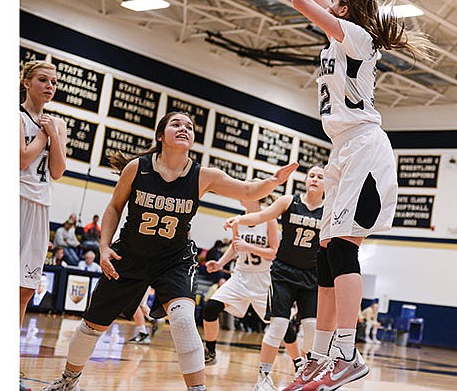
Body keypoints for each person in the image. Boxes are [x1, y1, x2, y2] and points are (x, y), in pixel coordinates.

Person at [271, 0, 434, 389]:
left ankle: (347, 352)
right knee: (325, 255)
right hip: (342, 149)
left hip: (364, 146)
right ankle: (322, 355)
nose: (330, 6)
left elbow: (304, 0)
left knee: (343, 249)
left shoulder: (358, 37)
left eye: (337, 5)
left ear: (346, 12)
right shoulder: (343, 35)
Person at [41, 111, 297, 391]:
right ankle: (68, 382)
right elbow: (115, 207)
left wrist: (274, 180)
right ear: (161, 135)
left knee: (184, 320)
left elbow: (248, 190)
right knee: (93, 325)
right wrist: (103, 247)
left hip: (174, 260)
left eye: (189, 126)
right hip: (130, 254)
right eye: (176, 124)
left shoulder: (203, 175)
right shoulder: (138, 168)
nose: (184, 128)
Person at [225, 166, 325, 391]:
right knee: (279, 324)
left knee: (311, 327)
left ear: (328, 184)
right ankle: (263, 376)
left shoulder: (329, 210)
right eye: (311, 176)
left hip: (312, 275)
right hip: (284, 273)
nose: (315, 179)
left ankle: (307, 374)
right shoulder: (289, 201)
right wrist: (238, 220)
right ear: (305, 180)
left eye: (320, 177)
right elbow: (261, 215)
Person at [20, 60, 67, 391]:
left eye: (53, 81)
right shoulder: (15, 117)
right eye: (42, 80)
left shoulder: (57, 123)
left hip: (41, 205)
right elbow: (22, 158)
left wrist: (55, 136)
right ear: (26, 82)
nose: (49, 86)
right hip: (15, 198)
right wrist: (44, 133)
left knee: (23, 289)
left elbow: (58, 170)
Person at [201, 193, 280, 367]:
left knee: (280, 323)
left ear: (258, 196)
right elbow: (235, 246)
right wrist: (220, 264)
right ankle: (211, 351)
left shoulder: (269, 220)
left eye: (248, 192)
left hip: (262, 279)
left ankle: (298, 362)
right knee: (211, 308)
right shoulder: (238, 220)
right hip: (240, 276)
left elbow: (274, 252)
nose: (242, 194)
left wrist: (249, 247)